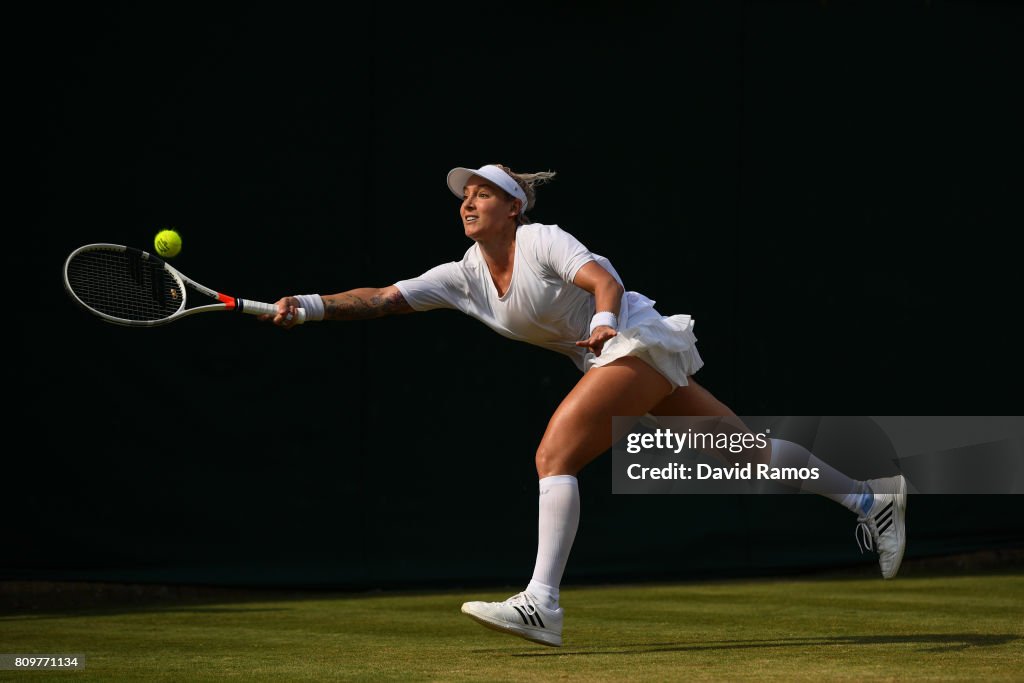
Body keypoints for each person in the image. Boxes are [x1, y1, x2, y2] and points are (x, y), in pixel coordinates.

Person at [263, 163, 907, 648]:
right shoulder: (463, 276)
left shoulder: (542, 238)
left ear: (512, 207)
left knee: (555, 452)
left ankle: (542, 601)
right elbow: (383, 297)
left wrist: (601, 321)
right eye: (465, 196)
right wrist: (310, 306)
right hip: (622, 358)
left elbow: (605, 280)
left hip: (633, 340)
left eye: (482, 194)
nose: (469, 203)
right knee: (748, 456)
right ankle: (870, 500)